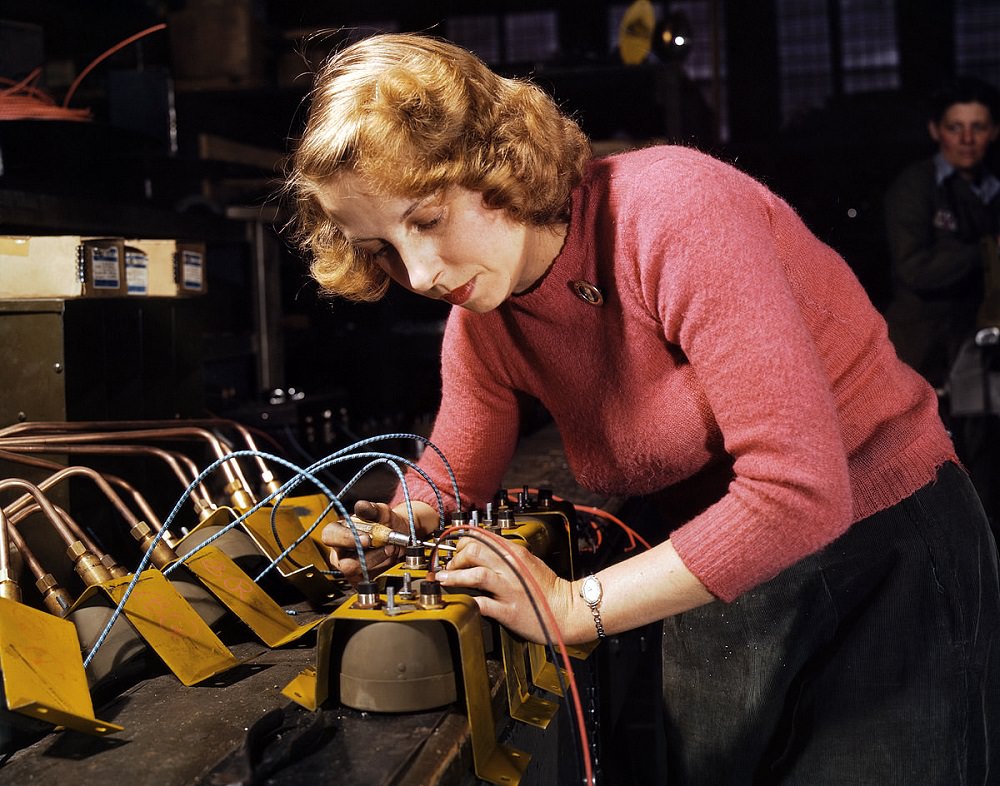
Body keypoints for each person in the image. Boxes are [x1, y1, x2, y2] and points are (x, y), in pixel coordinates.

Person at [286, 33, 1000, 785]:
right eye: (383, 249)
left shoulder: (673, 214)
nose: (421, 273)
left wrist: (571, 605)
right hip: (718, 568)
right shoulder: (484, 316)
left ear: (493, 162)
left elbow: (800, 492)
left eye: (428, 219)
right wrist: (397, 528)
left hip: (881, 556)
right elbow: (454, 466)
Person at [883, 75, 1000, 529]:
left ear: (993, 132)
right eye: (956, 127)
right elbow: (914, 269)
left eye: (978, 127)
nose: (967, 139)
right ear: (936, 130)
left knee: (986, 469)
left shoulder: (993, 189)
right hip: (923, 350)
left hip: (978, 351)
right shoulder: (915, 187)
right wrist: (984, 250)